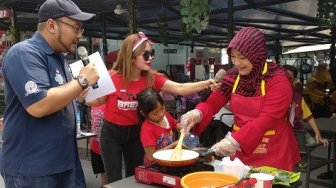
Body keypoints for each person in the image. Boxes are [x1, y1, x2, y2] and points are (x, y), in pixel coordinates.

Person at [84, 32, 217, 183]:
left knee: (132, 177)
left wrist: (206, 83)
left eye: (152, 53)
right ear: (132, 57)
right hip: (111, 133)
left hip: (135, 132)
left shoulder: (151, 77)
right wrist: (82, 94)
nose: (151, 57)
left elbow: (180, 87)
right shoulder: (112, 76)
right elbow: (97, 101)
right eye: (146, 54)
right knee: (114, 179)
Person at [0, 0, 99, 187]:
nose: (79, 35)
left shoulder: (59, 58)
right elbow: (39, 105)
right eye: (76, 28)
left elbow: (60, 95)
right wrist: (81, 81)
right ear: (52, 25)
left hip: (63, 162)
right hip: (33, 168)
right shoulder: (24, 53)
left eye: (81, 29)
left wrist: (78, 93)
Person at [179, 27, 301, 171]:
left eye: (242, 57)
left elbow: (267, 119)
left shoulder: (278, 79)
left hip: (272, 151)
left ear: (257, 54)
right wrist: (196, 114)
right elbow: (213, 102)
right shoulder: (234, 76)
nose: (237, 63)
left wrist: (235, 140)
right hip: (240, 152)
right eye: (233, 57)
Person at [283, 65, 329, 146]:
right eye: (282, 76)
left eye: (289, 77)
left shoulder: (298, 98)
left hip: (296, 130)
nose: (284, 79)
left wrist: (318, 134)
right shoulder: (269, 95)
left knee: (313, 143)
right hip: (279, 132)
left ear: (294, 80)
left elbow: (309, 117)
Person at [137, 88, 182, 165]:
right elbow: (151, 156)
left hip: (170, 160)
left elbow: (178, 127)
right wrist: (174, 145)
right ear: (144, 114)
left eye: (162, 108)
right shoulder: (147, 129)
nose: (161, 114)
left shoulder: (166, 116)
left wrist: (185, 129)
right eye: (155, 113)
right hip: (155, 165)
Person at [89, 104, 108, 187]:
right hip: (95, 142)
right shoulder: (93, 104)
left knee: (109, 168)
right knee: (101, 169)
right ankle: (104, 185)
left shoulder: (108, 103)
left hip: (107, 143)